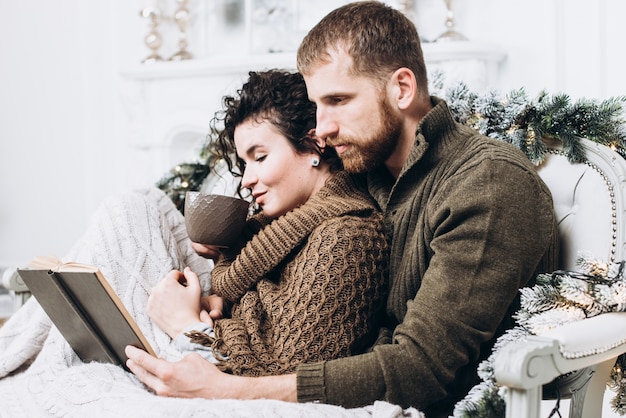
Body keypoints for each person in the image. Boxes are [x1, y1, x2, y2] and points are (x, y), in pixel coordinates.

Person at [126, 2, 559, 417]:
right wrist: (227, 257)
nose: (322, 127)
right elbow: (294, 236)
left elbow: (420, 370)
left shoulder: (485, 182)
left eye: (338, 100)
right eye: (317, 105)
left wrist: (230, 391)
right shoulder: (367, 174)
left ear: (402, 88)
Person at [146, 69, 389, 376]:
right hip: (198, 348)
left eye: (259, 157)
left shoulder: (349, 237)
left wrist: (185, 325)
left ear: (314, 145)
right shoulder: (272, 232)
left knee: (133, 209)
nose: (247, 180)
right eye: (244, 164)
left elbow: (283, 375)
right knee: (143, 205)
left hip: (212, 367)